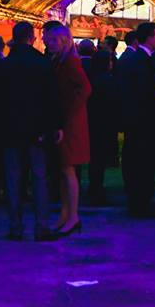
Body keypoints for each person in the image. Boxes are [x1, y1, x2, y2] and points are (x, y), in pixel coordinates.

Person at [0, 21, 63, 241]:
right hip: (37, 131)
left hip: (10, 130)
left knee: (13, 178)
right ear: (32, 37)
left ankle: (15, 226)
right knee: (39, 178)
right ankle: (41, 226)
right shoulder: (42, 63)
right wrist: (55, 125)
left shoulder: (4, 65)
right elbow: (52, 98)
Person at [44, 24, 92, 236]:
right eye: (46, 39)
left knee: (67, 169)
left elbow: (85, 89)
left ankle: (72, 216)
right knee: (64, 170)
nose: (47, 42)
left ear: (63, 40)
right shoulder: (61, 61)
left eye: (51, 39)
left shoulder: (70, 62)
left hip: (69, 123)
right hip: (67, 120)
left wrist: (67, 116)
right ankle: (67, 215)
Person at [117, 22, 155, 217]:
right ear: (150, 37)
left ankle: (138, 200)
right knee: (143, 162)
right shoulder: (144, 61)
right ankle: (141, 202)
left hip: (134, 120)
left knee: (135, 160)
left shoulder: (134, 59)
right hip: (143, 121)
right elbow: (145, 93)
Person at [86, 50, 118, 206]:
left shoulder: (91, 78)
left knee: (95, 160)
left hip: (92, 122)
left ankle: (94, 189)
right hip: (105, 124)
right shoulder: (109, 81)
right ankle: (96, 191)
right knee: (99, 159)